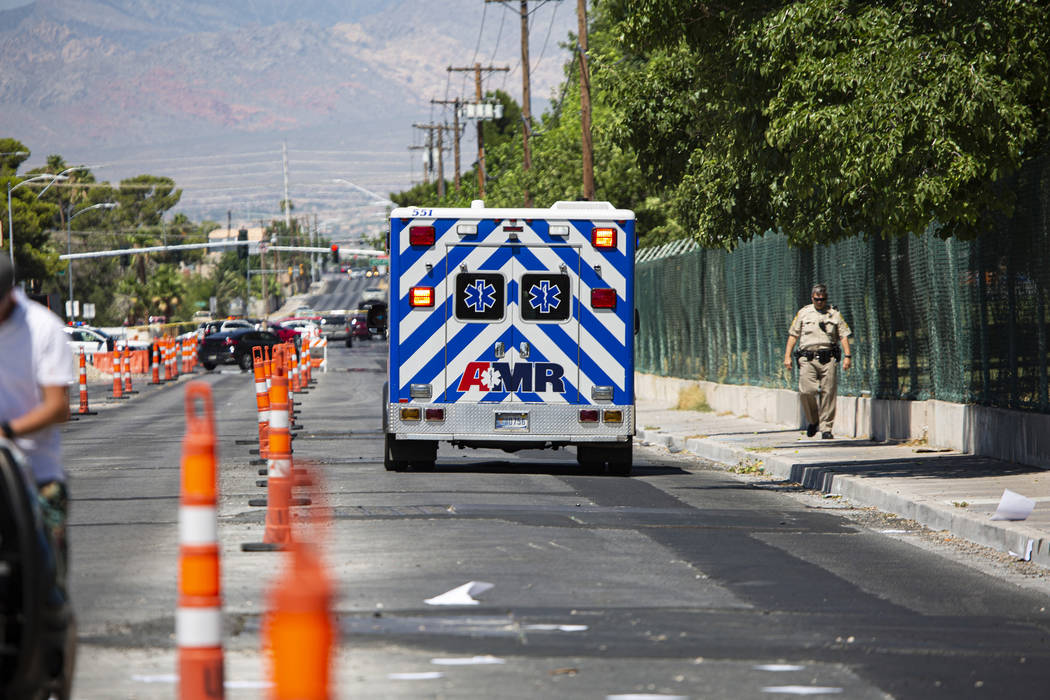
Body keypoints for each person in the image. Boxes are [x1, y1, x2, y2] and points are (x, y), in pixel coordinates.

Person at [0, 257, 74, 582]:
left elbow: (58, 407)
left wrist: (7, 431)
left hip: (36, 470)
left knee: (45, 571)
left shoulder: (43, 327)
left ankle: (55, 615)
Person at [783, 283, 852, 439]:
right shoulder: (803, 313)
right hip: (807, 358)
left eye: (823, 299)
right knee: (806, 391)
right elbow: (793, 335)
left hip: (828, 358)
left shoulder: (833, 314)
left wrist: (848, 356)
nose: (820, 302)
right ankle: (813, 420)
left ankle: (826, 428)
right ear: (812, 298)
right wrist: (787, 356)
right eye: (817, 299)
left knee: (829, 392)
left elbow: (843, 335)